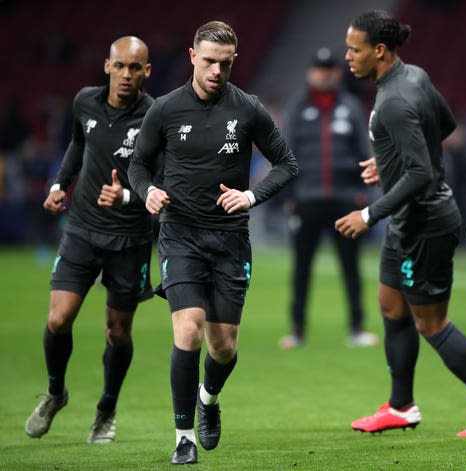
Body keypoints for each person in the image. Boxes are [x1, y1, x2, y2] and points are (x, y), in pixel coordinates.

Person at [334, 10, 466, 437]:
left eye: (354, 49)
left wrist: (368, 214)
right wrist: (391, 162)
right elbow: (445, 125)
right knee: (390, 305)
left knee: (430, 323)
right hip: (406, 222)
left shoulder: (395, 100)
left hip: (425, 224)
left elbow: (420, 175)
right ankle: (401, 406)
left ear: (379, 51)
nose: (349, 56)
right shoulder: (412, 75)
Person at [128, 20, 297, 465]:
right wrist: (148, 191)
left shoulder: (249, 109)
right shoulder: (164, 110)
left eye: (224, 63)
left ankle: (209, 397)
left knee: (223, 347)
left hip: (229, 241)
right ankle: (183, 436)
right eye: (208, 62)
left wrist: (251, 195)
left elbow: (286, 163)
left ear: (233, 61)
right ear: (192, 57)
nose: (216, 71)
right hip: (180, 234)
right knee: (187, 331)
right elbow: (139, 164)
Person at [24, 37, 154, 444]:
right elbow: (78, 143)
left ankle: (106, 408)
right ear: (107, 67)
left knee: (117, 332)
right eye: (120, 67)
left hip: (130, 238)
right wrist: (60, 183)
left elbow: (161, 182)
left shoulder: (156, 117)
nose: (126, 75)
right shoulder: (85, 102)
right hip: (82, 228)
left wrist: (128, 196)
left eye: (135, 68)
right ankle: (55, 392)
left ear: (146, 72)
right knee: (58, 319)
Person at [279, 46, 378, 350]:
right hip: (306, 199)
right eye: (320, 68)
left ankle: (357, 328)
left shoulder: (350, 107)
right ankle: (297, 330)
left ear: (337, 72)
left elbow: (365, 153)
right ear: (312, 72)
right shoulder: (297, 108)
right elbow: (284, 154)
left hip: (345, 200)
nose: (325, 73)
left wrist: (364, 193)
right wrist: (288, 195)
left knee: (351, 267)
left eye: (330, 68)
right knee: (301, 268)